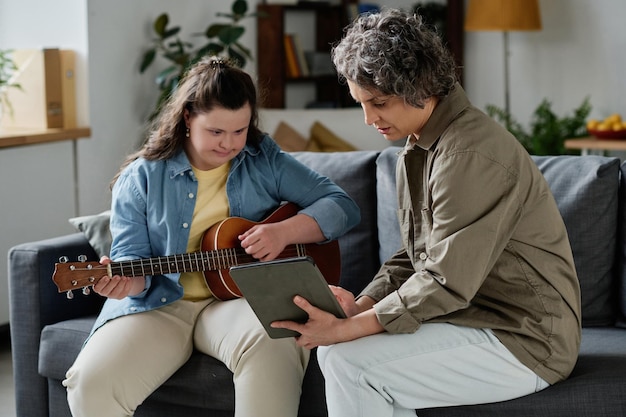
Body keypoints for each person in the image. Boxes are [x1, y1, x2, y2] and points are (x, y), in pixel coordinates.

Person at [271, 8, 582, 417]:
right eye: (360, 103)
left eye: (378, 102)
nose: (368, 119)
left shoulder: (468, 153)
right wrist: (361, 305)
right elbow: (416, 256)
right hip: (475, 319)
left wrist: (347, 327)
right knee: (340, 356)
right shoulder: (420, 146)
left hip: (525, 337)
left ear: (416, 85)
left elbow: (445, 281)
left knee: (350, 362)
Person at [62, 56, 360, 417]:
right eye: (216, 132)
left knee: (276, 337)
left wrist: (284, 232)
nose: (230, 144)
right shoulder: (140, 179)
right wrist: (125, 284)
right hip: (161, 306)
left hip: (240, 302)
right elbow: (133, 267)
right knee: (90, 382)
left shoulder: (262, 159)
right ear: (187, 118)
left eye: (240, 130)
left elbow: (342, 206)